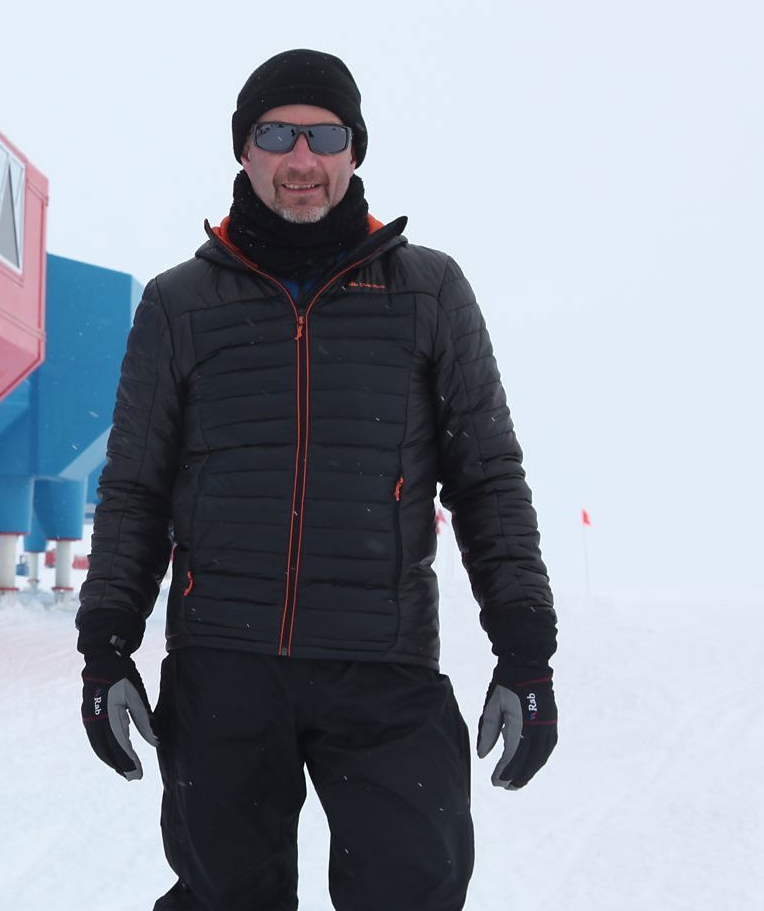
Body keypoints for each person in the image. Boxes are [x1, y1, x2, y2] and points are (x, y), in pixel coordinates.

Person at [76, 50, 558, 910]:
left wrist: (525, 653)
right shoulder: (179, 304)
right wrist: (106, 647)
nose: (303, 160)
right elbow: (136, 491)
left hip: (385, 668)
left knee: (412, 892)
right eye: (277, 134)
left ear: (354, 151)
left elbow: (487, 480)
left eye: (325, 135)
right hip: (224, 668)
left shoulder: (429, 291)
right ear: (245, 150)